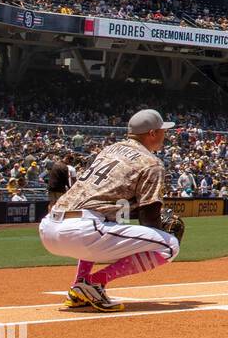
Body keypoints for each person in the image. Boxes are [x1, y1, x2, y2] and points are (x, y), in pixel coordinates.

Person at [37, 109, 182, 312]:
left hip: (48, 228)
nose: (165, 135)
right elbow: (148, 215)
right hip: (83, 230)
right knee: (170, 245)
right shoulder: (152, 163)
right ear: (152, 133)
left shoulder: (110, 150)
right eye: (162, 130)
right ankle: (94, 283)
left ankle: (79, 287)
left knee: (105, 226)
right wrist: (160, 231)